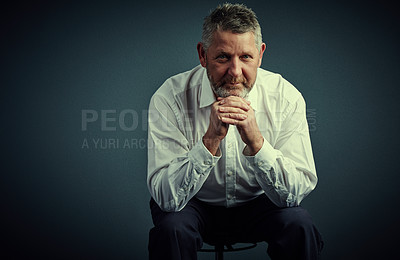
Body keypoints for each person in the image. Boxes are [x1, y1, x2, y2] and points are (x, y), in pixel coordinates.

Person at [147, 3, 323, 260]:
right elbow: (166, 198)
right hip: (194, 205)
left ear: (260, 55)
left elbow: (293, 195)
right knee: (172, 229)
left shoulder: (286, 96)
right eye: (222, 57)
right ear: (202, 54)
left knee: (299, 224)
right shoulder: (169, 97)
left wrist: (257, 143)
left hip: (259, 204)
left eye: (246, 57)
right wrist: (209, 141)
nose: (235, 73)